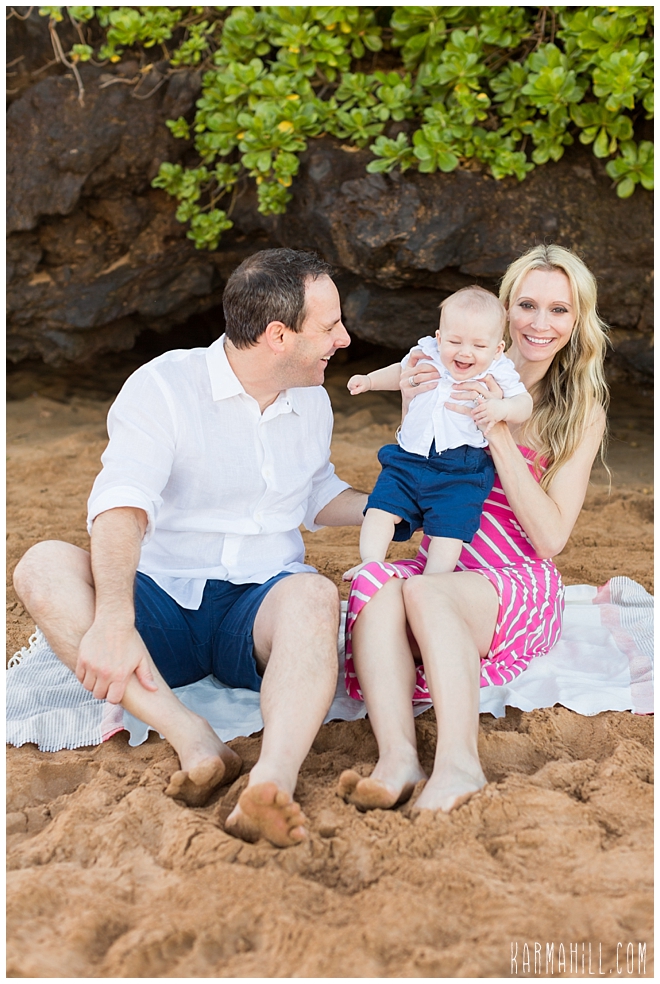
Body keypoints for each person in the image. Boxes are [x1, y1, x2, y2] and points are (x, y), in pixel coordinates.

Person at [12, 248, 367, 849]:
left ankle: (271, 783)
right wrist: (116, 618)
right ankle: (192, 737)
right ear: (278, 336)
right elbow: (121, 505)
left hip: (258, 605)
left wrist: (391, 508)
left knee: (313, 594)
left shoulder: (311, 397)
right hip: (160, 602)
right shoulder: (164, 386)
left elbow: (313, 491)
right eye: (329, 326)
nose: (344, 338)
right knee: (42, 565)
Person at [338, 244, 608, 815]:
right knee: (375, 586)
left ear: (576, 320)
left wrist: (498, 432)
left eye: (559, 310)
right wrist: (413, 407)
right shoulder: (446, 367)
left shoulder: (580, 410)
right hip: (445, 557)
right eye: (527, 305)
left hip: (514, 577)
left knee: (427, 591)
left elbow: (550, 539)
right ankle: (398, 759)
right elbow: (421, 487)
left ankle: (459, 764)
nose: (540, 323)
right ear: (504, 312)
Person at [343, 287, 532, 579]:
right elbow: (400, 371)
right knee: (380, 507)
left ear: (497, 349)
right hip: (409, 457)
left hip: (460, 467)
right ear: (440, 338)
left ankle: (434, 580)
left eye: (479, 345)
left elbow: (524, 403)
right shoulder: (428, 353)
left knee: (449, 529)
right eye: (455, 341)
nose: (465, 352)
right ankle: (371, 562)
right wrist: (369, 381)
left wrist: (502, 408)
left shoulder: (498, 369)